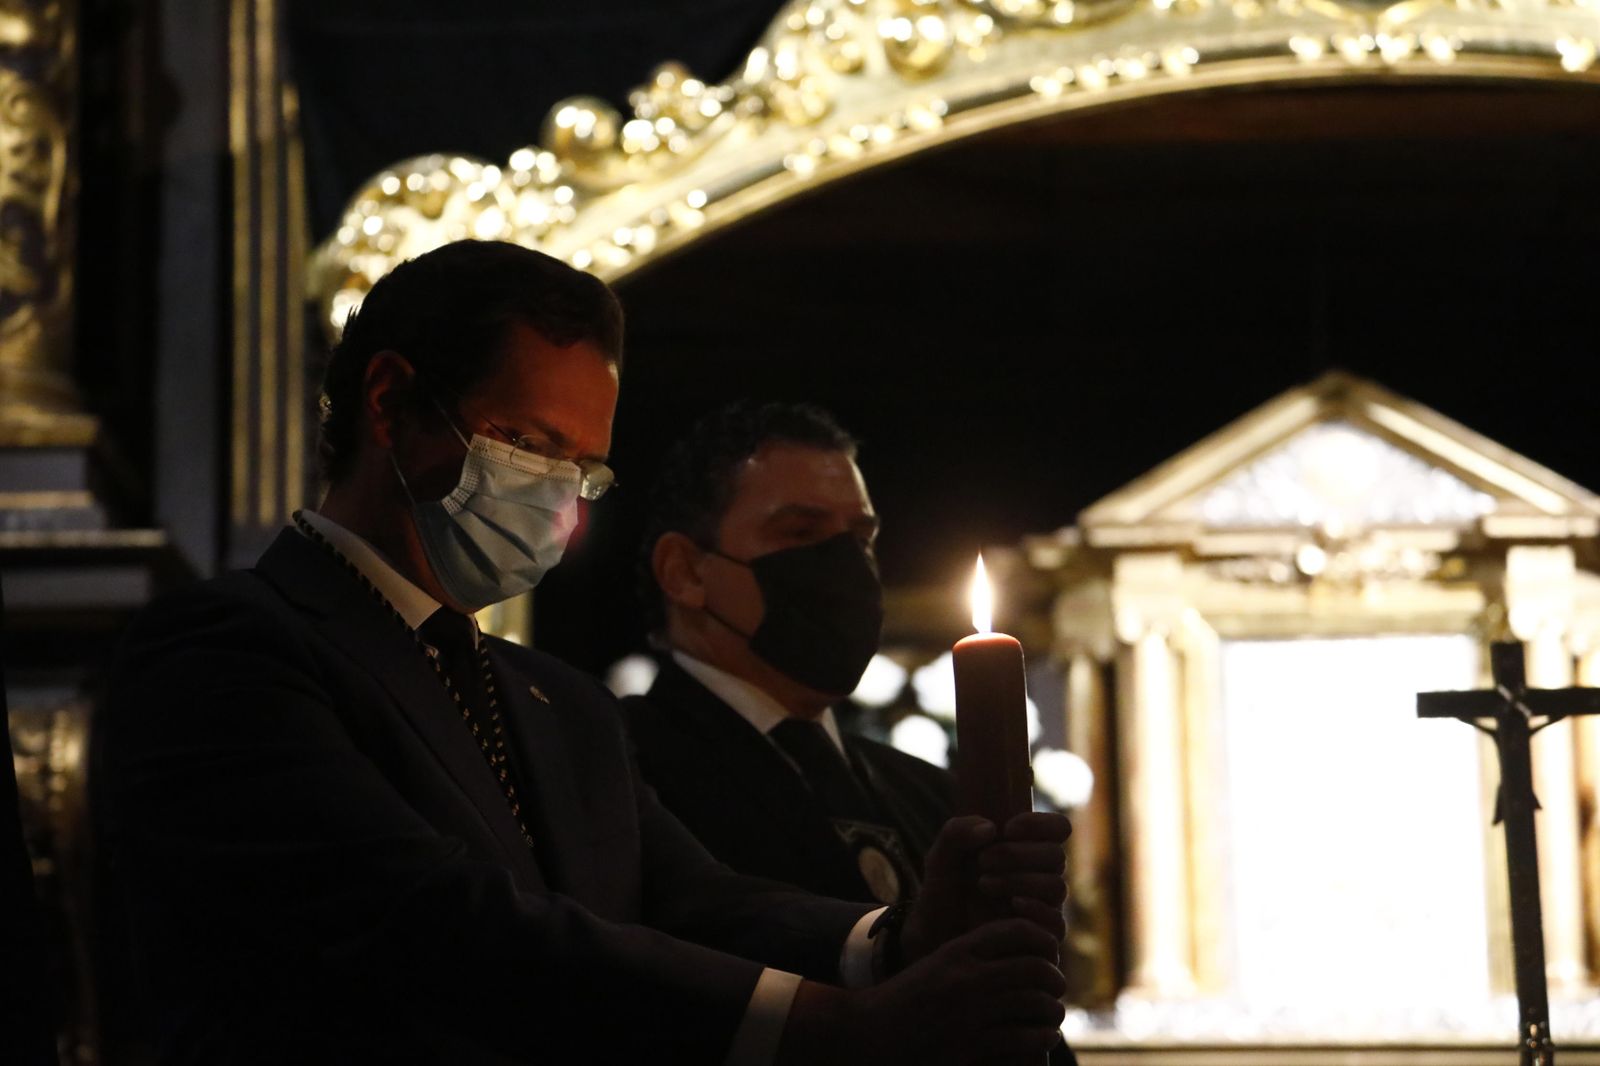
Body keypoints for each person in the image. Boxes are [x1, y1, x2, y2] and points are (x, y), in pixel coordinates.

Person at [99, 240, 1071, 1065]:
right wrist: (838, 1025)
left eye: (581, 466)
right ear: (389, 403)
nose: (556, 497)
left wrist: (889, 940)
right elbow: (433, 928)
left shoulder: (549, 696)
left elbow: (691, 900)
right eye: (523, 441)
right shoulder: (229, 651)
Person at [624, 402, 951, 908]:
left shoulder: (933, 798)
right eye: (800, 533)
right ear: (685, 572)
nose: (847, 567)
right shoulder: (618, 770)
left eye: (861, 540)